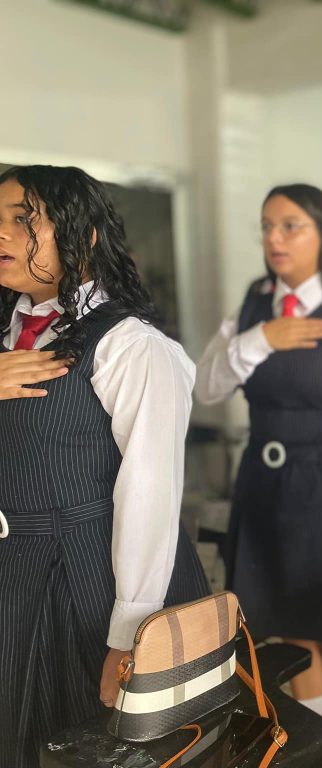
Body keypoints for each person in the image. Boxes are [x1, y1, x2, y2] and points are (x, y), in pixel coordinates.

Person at [0, 165, 209, 768]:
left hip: (92, 581)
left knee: (94, 742)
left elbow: (150, 493)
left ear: (84, 234)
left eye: (24, 219)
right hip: (16, 578)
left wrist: (132, 633)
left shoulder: (131, 346)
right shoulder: (8, 336)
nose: (3, 234)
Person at [195, 184, 322, 716]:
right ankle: (315, 735)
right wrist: (263, 337)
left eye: (290, 226)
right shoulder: (254, 307)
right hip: (264, 486)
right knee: (288, 625)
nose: (275, 238)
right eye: (267, 226)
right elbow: (206, 387)